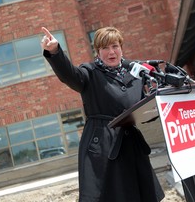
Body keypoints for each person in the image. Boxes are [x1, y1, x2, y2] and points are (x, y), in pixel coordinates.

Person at [41, 26, 165, 202]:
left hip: (131, 143)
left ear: (121, 48)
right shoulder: (90, 73)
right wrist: (55, 52)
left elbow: (142, 105)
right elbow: (70, 75)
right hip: (102, 146)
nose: (111, 52)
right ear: (97, 52)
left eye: (115, 46)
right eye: (105, 48)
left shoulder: (135, 73)